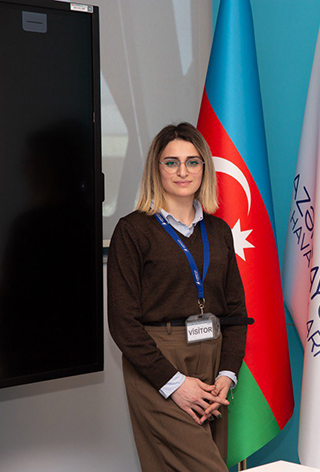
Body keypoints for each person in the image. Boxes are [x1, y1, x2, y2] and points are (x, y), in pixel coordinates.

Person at [108, 122, 247, 471]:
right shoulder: (133, 230)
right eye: (171, 162)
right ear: (156, 169)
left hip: (212, 356)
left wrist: (226, 375)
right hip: (158, 361)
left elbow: (235, 312)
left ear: (204, 168)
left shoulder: (218, 231)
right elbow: (123, 323)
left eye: (192, 162)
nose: (183, 171)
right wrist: (175, 384)